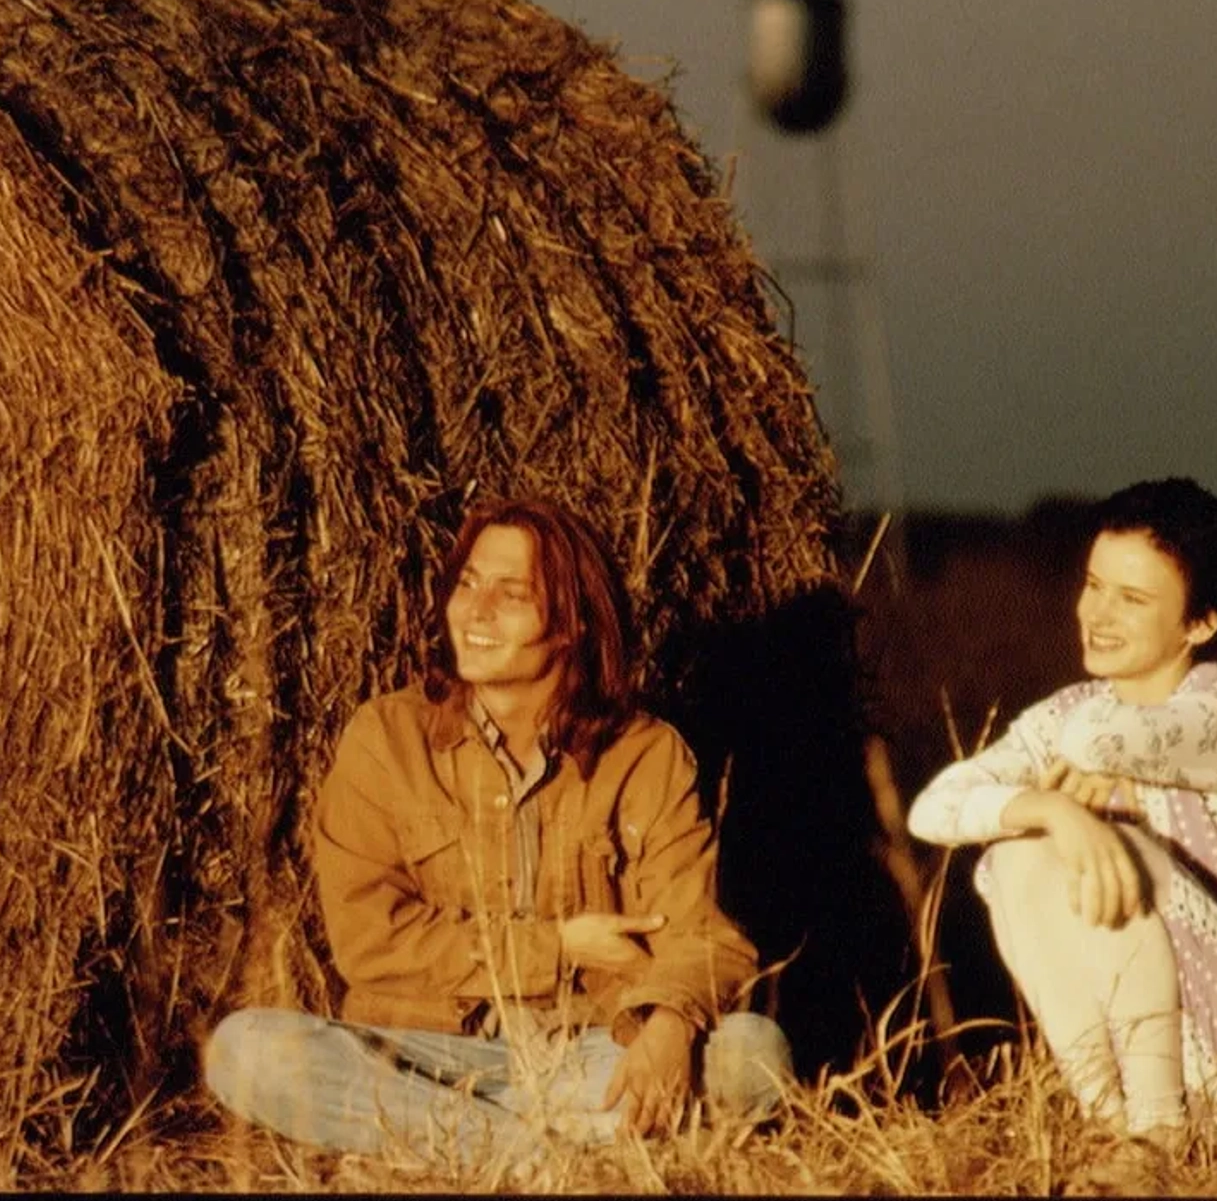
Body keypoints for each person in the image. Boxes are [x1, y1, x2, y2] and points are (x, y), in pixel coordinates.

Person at [204, 497, 791, 1167]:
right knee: (246, 1050)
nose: (474, 611)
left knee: (752, 1054)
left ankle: (459, 1142)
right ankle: (537, 1155)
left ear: (570, 624)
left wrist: (670, 1025)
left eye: (510, 594)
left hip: (591, 1050)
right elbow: (369, 939)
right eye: (467, 583)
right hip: (425, 1057)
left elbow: (703, 934)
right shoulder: (385, 739)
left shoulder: (645, 754)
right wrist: (558, 946)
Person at [906, 477, 1217, 1150]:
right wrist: (1055, 811)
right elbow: (932, 808)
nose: (1099, 613)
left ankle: (1156, 1136)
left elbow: (1103, 737)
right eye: (1094, 585)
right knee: (1013, 855)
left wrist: (1090, 788)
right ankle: (1116, 1128)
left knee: (1115, 846)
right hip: (1167, 1056)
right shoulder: (1072, 710)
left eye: (1133, 597)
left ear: (1201, 622)